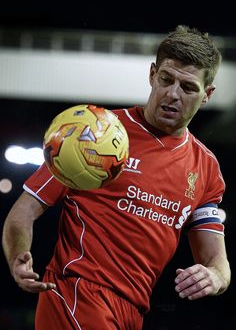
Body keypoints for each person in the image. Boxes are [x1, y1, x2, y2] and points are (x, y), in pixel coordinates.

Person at [2, 25, 231, 330]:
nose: (173, 94)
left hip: (133, 312)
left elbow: (217, 260)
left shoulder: (206, 168)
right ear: (152, 75)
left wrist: (215, 276)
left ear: (207, 95)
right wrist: (18, 257)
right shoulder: (92, 134)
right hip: (77, 295)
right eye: (166, 80)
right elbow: (23, 212)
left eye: (188, 87)